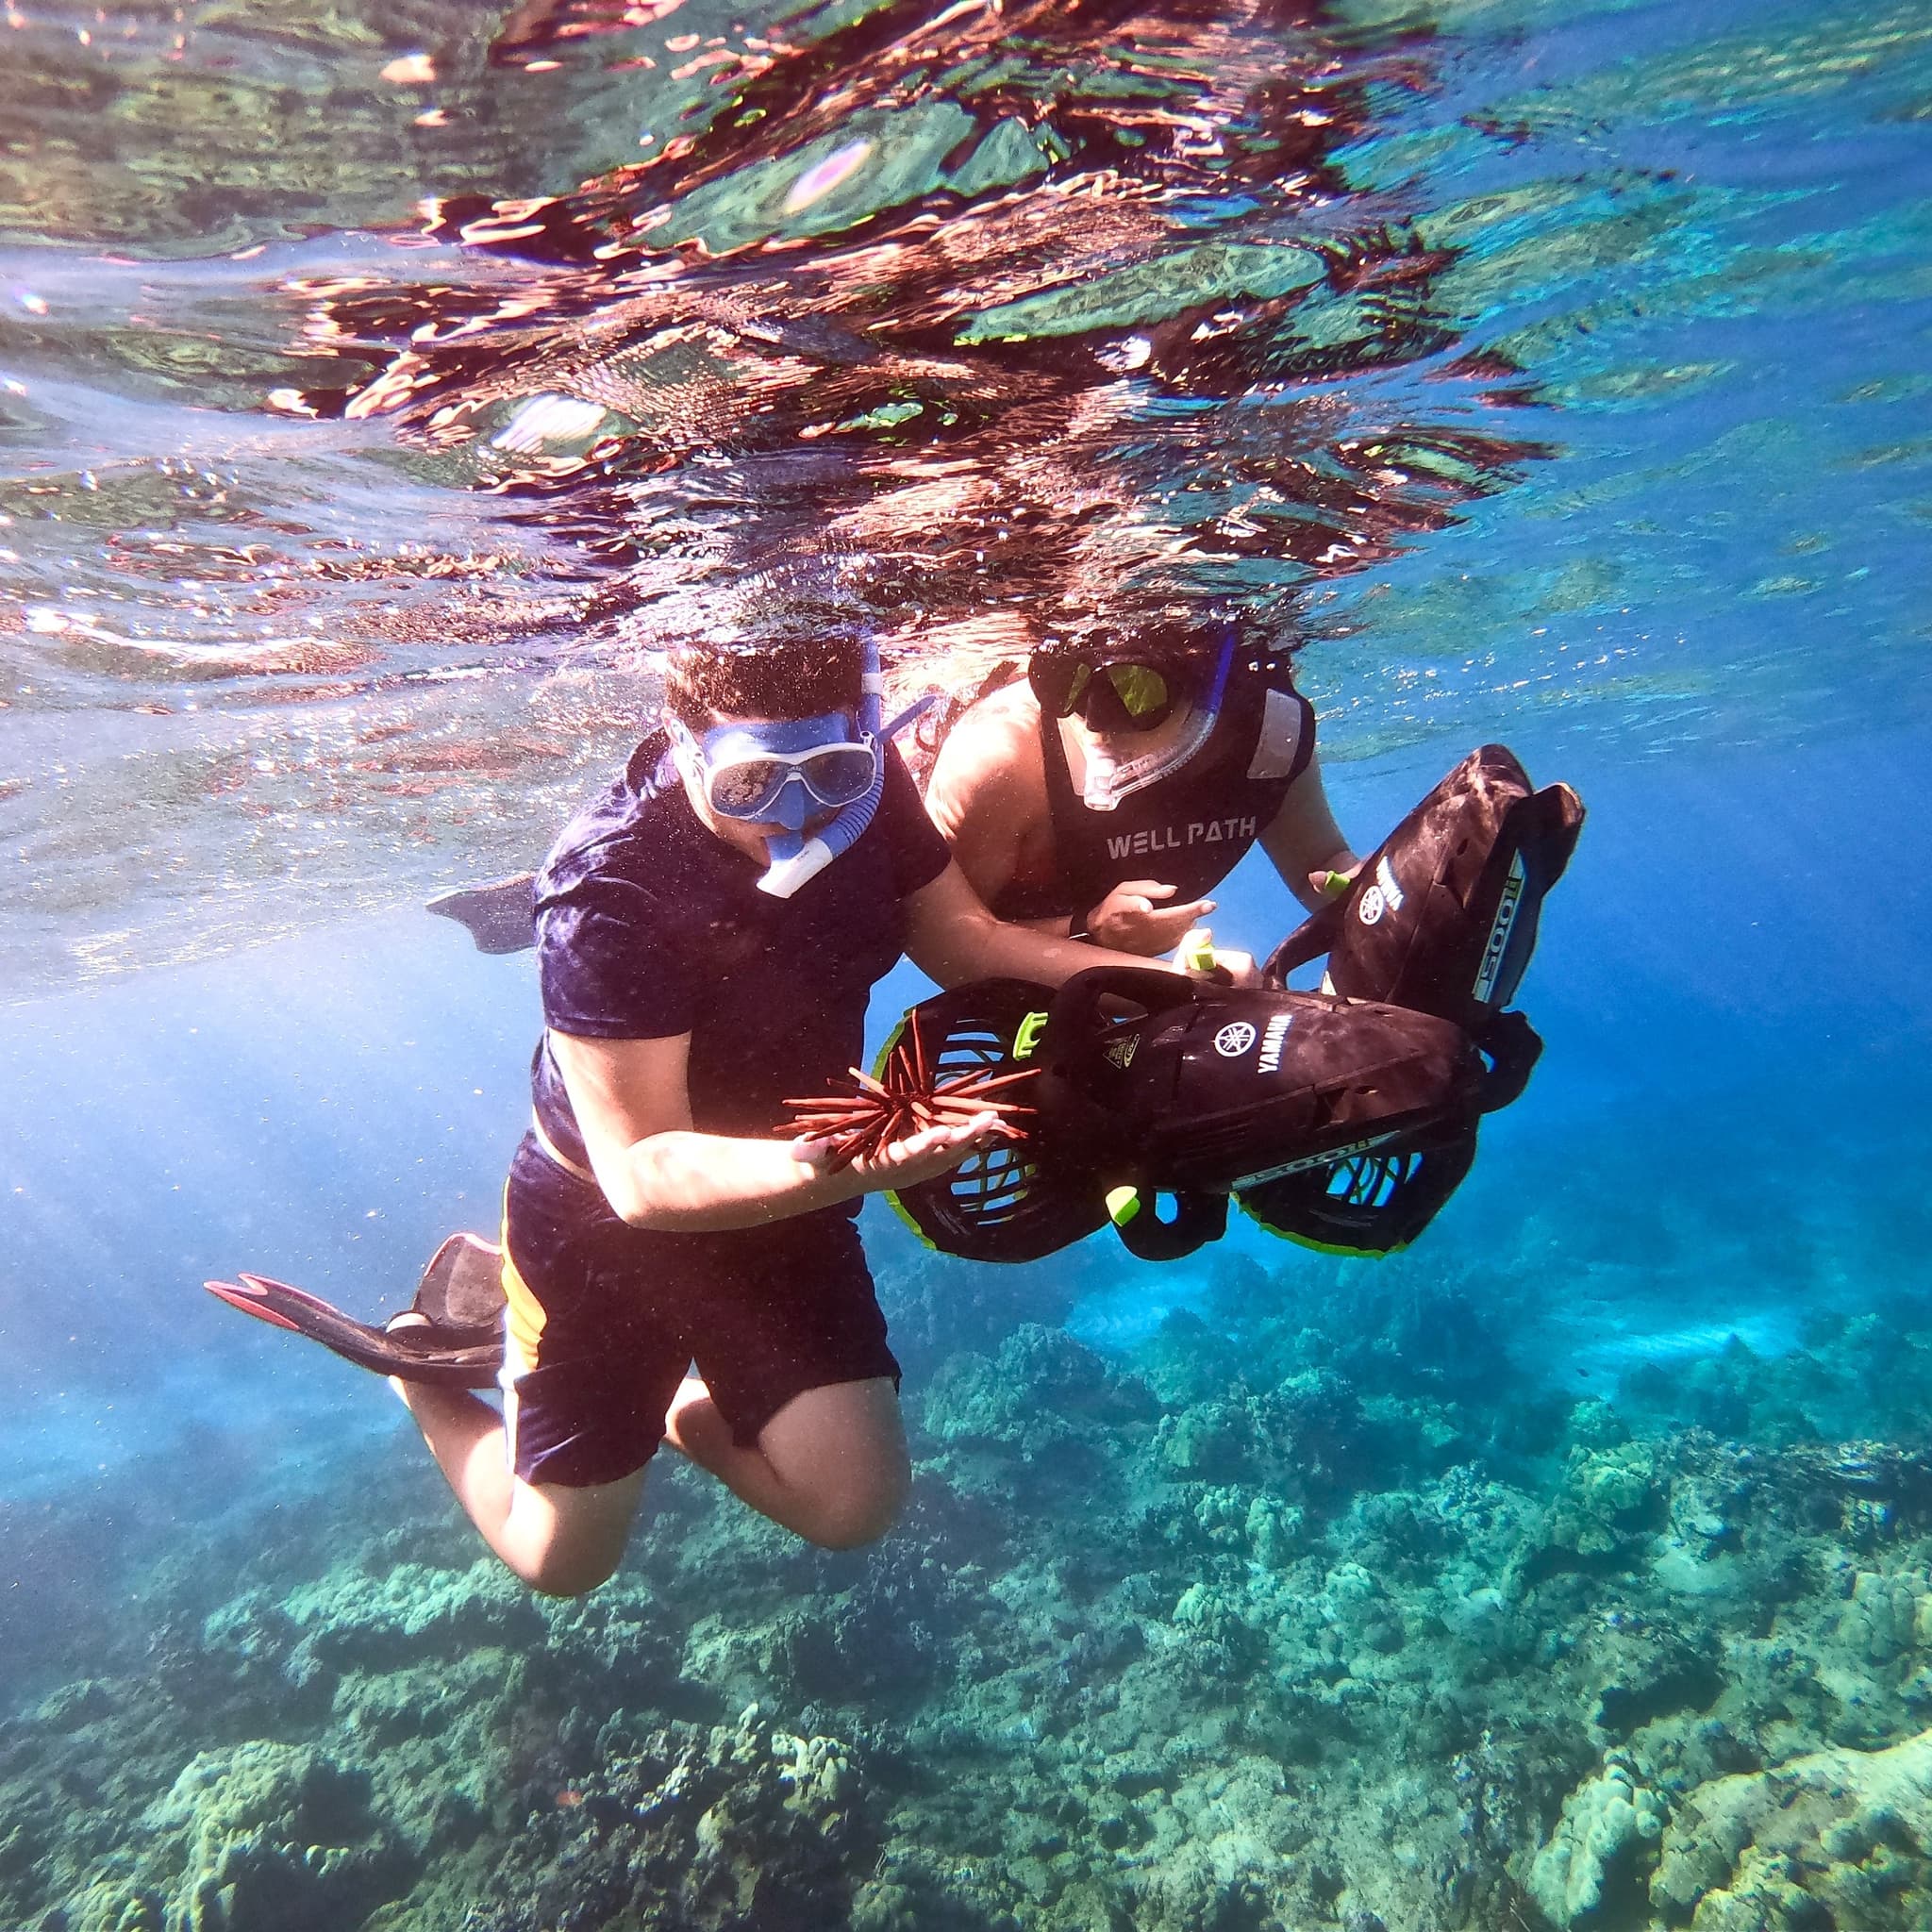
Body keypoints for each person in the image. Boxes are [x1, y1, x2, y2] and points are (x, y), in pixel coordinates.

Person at [400, 616, 1230, 1598]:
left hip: (800, 1179)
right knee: (562, 1561)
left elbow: (963, 941)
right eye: (748, 783)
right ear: (680, 738)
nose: (793, 816)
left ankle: (673, 1404)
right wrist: (845, 1167)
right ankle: (420, 1360)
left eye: (830, 771)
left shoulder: (875, 788)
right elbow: (641, 1171)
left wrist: (1174, 985)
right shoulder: (603, 886)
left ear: (866, 726)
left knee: (852, 1507)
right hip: (603, 1220)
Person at [922, 620, 1357, 958]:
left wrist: (1372, 885)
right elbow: (946, 936)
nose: (1093, 720)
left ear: (1210, 693)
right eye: (1063, 680)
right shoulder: (1001, 755)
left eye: (1133, 690)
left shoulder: (1269, 732)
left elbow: (1318, 867)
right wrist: (1091, 930)